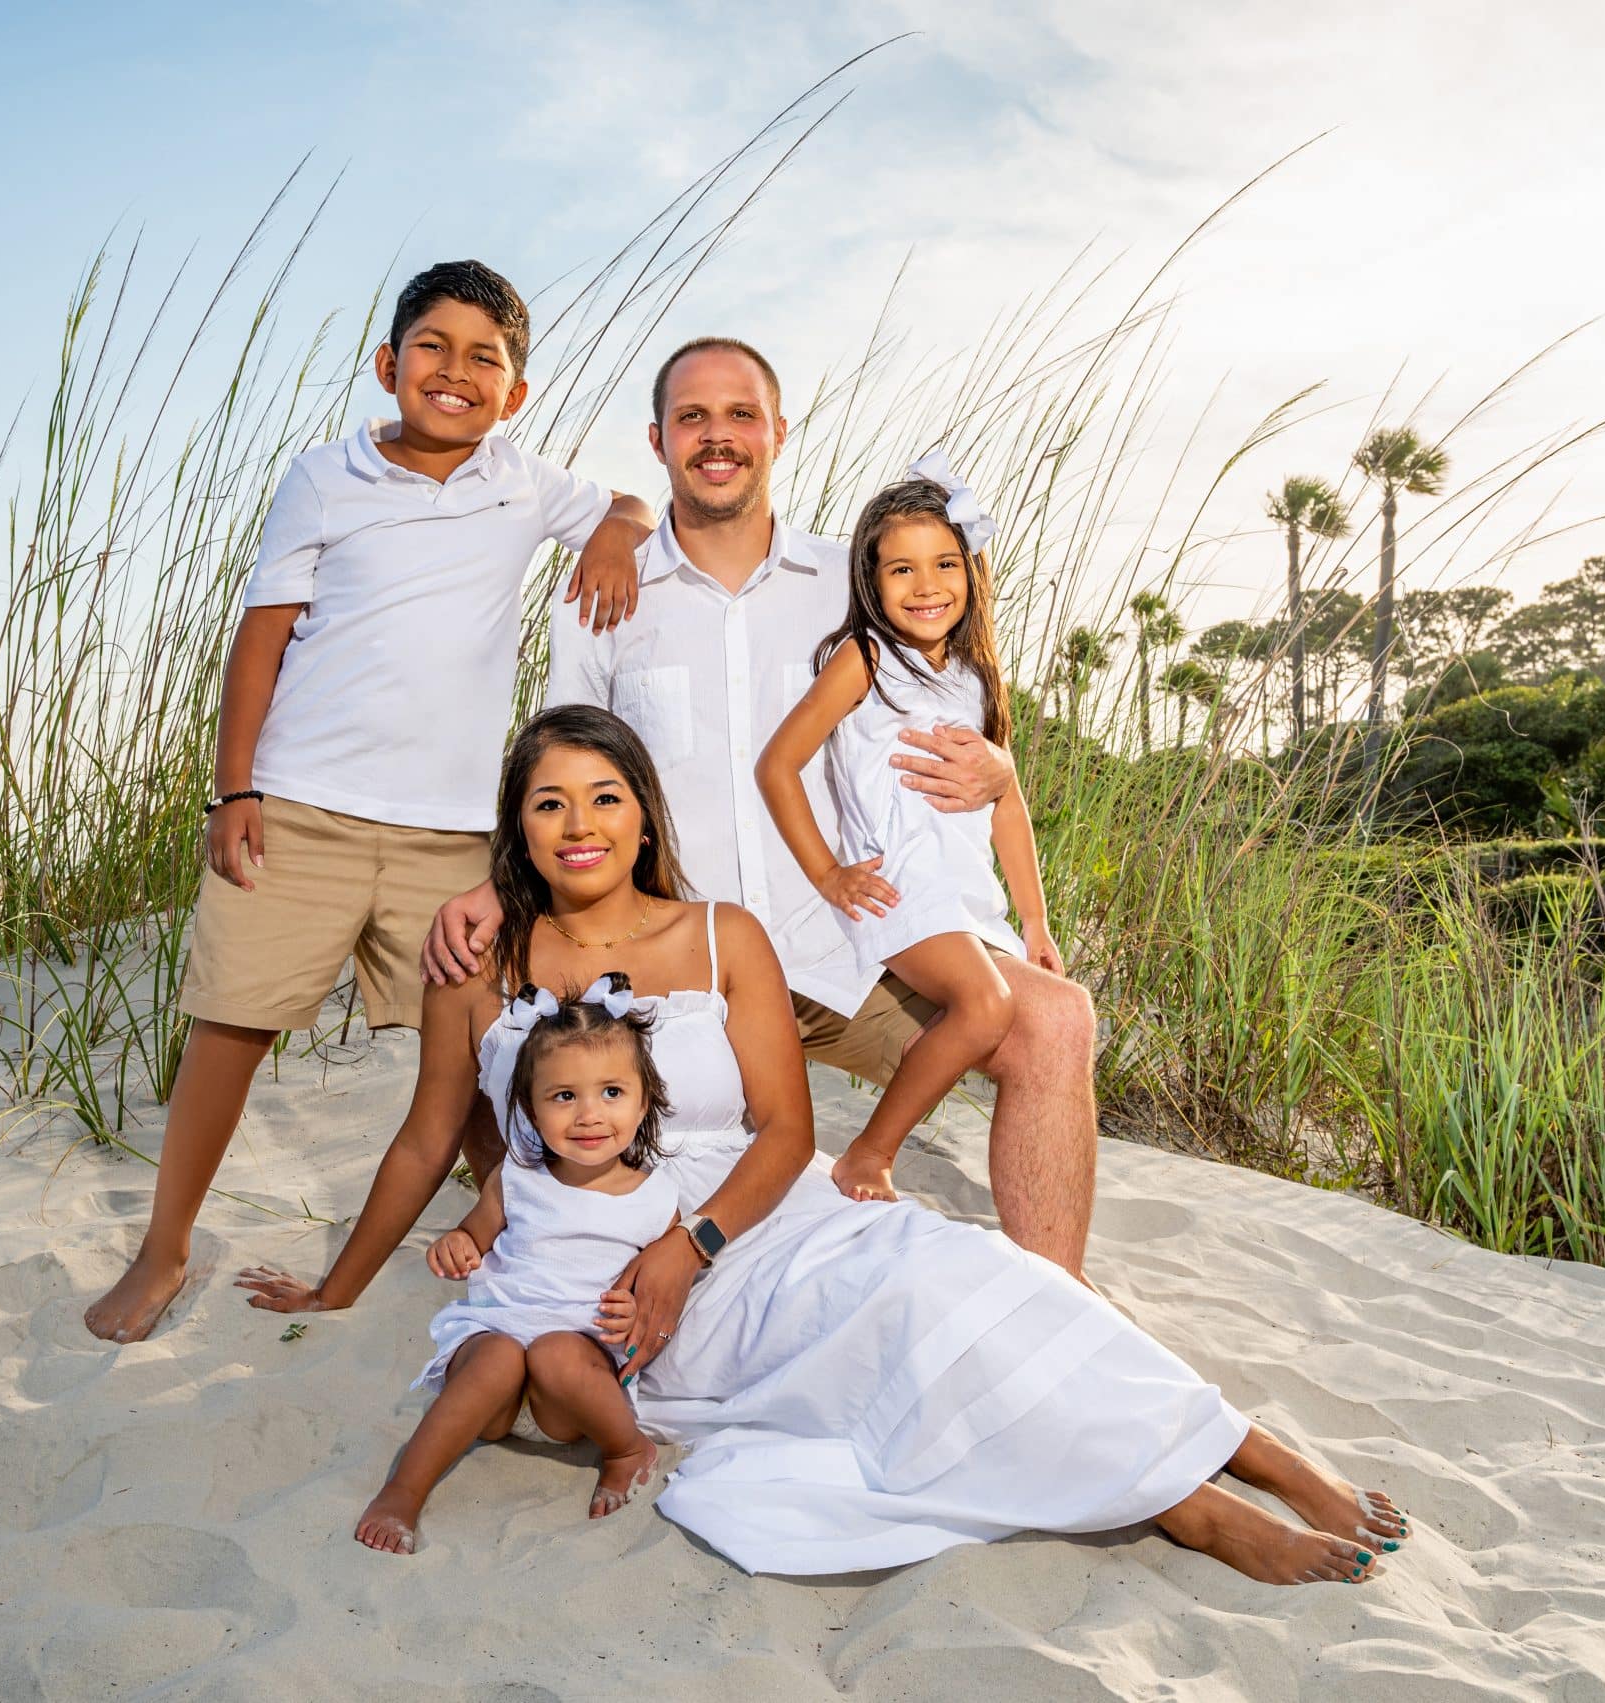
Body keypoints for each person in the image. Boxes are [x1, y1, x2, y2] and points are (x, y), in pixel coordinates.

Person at [242, 706, 1412, 1581]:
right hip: (602, 1273)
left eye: (604, 796)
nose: (579, 824)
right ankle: (1188, 1507)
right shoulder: (479, 965)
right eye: (548, 802)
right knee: (906, 1342)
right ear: (518, 828)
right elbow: (421, 1139)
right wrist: (337, 1283)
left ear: (644, 811)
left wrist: (689, 1243)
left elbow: (787, 1128)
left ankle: (1249, 1447)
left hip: (757, 1215)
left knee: (975, 1272)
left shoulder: (720, 935)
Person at [422, 337, 1100, 1278]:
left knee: (1056, 1021)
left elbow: (954, 686)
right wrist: (500, 884)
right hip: (677, 967)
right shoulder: (601, 594)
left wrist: (995, 767)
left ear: (778, 433)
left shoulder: (851, 582)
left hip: (840, 945)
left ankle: (1059, 1305)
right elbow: (557, 761)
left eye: (741, 414)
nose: (718, 436)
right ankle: (533, 1261)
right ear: (657, 440)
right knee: (470, 986)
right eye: (692, 417)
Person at [83, 260, 658, 1343]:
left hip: (451, 837)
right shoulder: (321, 478)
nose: (456, 372)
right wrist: (235, 786)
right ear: (390, 364)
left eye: (484, 358)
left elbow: (625, 502)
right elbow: (261, 635)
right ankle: (163, 1250)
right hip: (300, 805)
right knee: (231, 1028)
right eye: (432, 349)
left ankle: (529, 1235)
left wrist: (623, 524)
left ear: (514, 392)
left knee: (492, 1055)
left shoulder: (524, 482)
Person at [756, 454, 1058, 1203]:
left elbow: (1007, 804)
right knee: (985, 1006)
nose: (927, 586)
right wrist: (829, 872)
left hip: (965, 896)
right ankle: (869, 1154)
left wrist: (1036, 920)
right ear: (870, 578)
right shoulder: (865, 658)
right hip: (900, 890)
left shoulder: (979, 673)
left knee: (1027, 1017)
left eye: (945, 563)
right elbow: (777, 765)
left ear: (972, 570)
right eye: (901, 569)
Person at [355, 975, 675, 1554]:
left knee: (554, 1353)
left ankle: (627, 1448)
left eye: (611, 1093)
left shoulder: (654, 1197)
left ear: (643, 1100)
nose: (588, 1115)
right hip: (497, 1363)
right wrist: (457, 1244)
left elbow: (660, 1272)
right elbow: (475, 1233)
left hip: (573, 1384)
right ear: (529, 1107)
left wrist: (636, 1301)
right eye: (563, 1096)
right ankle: (404, 1489)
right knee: (496, 1357)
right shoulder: (518, 1177)